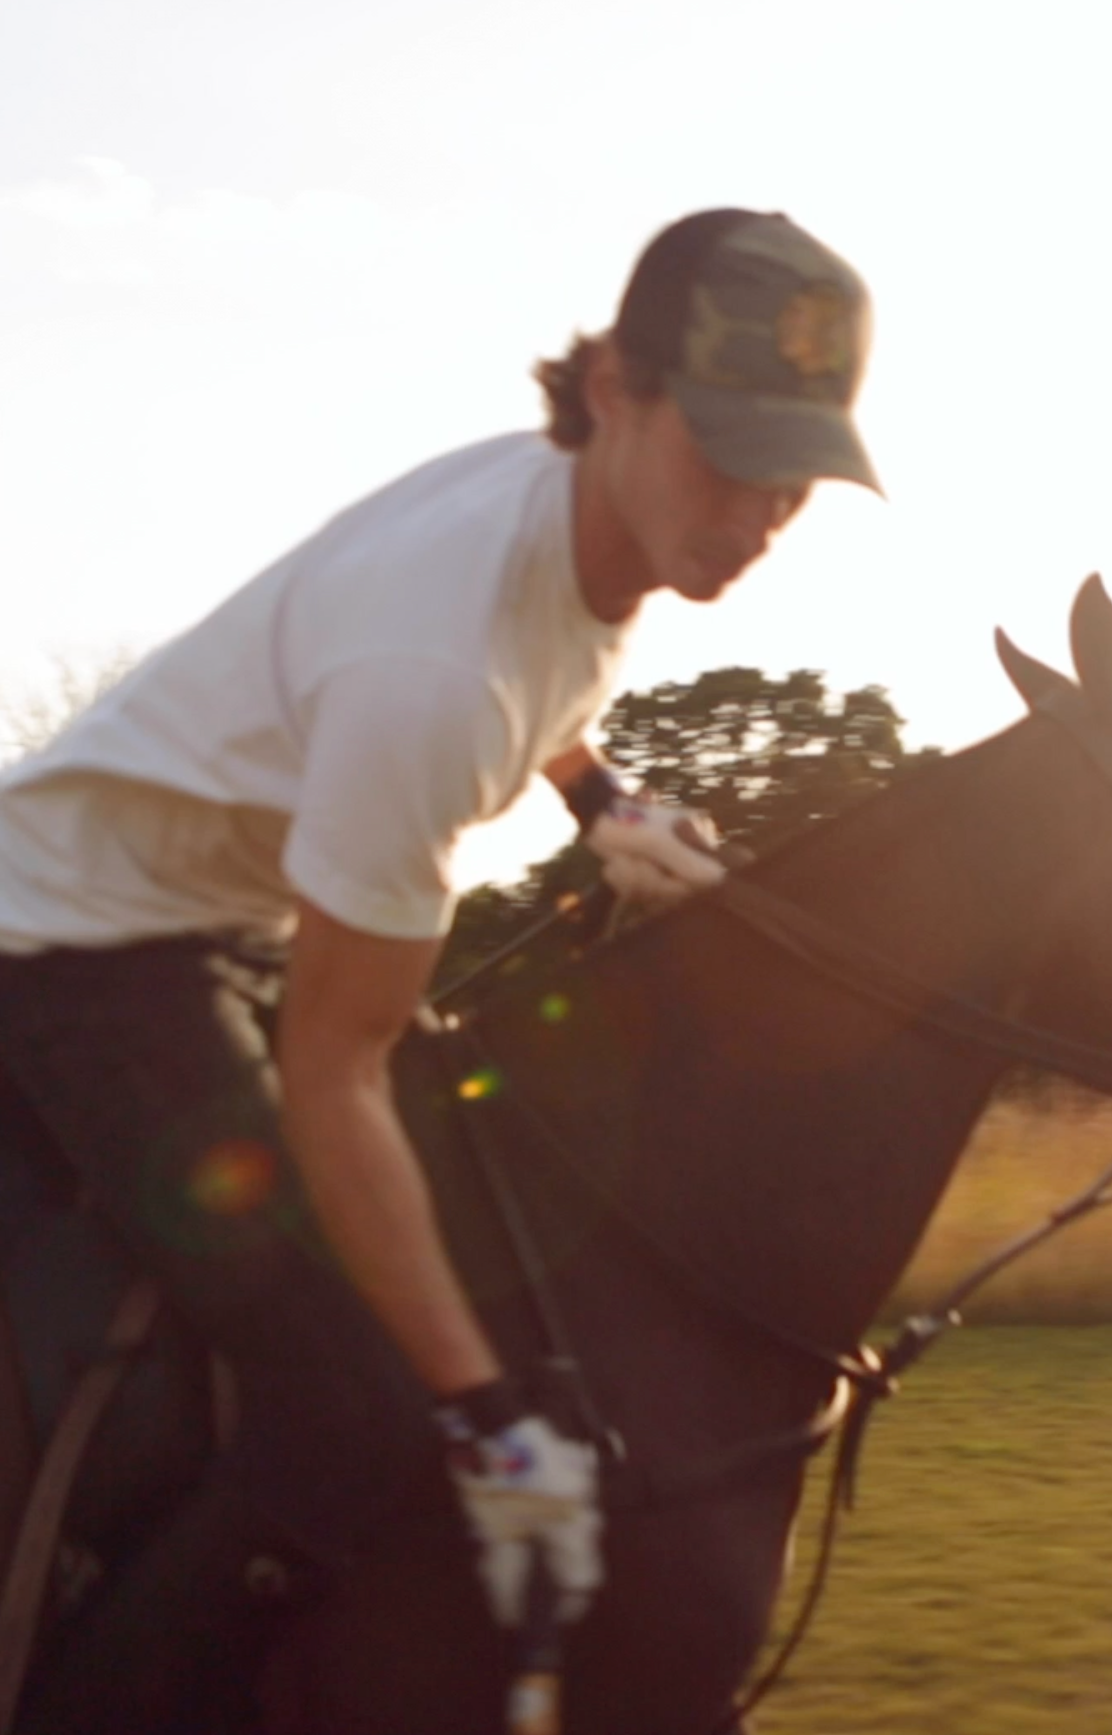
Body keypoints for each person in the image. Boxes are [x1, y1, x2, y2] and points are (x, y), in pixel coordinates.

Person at [0, 206, 880, 1732]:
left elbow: (545, 672)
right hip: (79, 943)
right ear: (611, 389)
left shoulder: (580, 514)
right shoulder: (434, 675)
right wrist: (487, 1419)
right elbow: (333, 1072)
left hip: (220, 910)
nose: (754, 515)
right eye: (729, 454)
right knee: (354, 1412)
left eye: (793, 474)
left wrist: (602, 800)